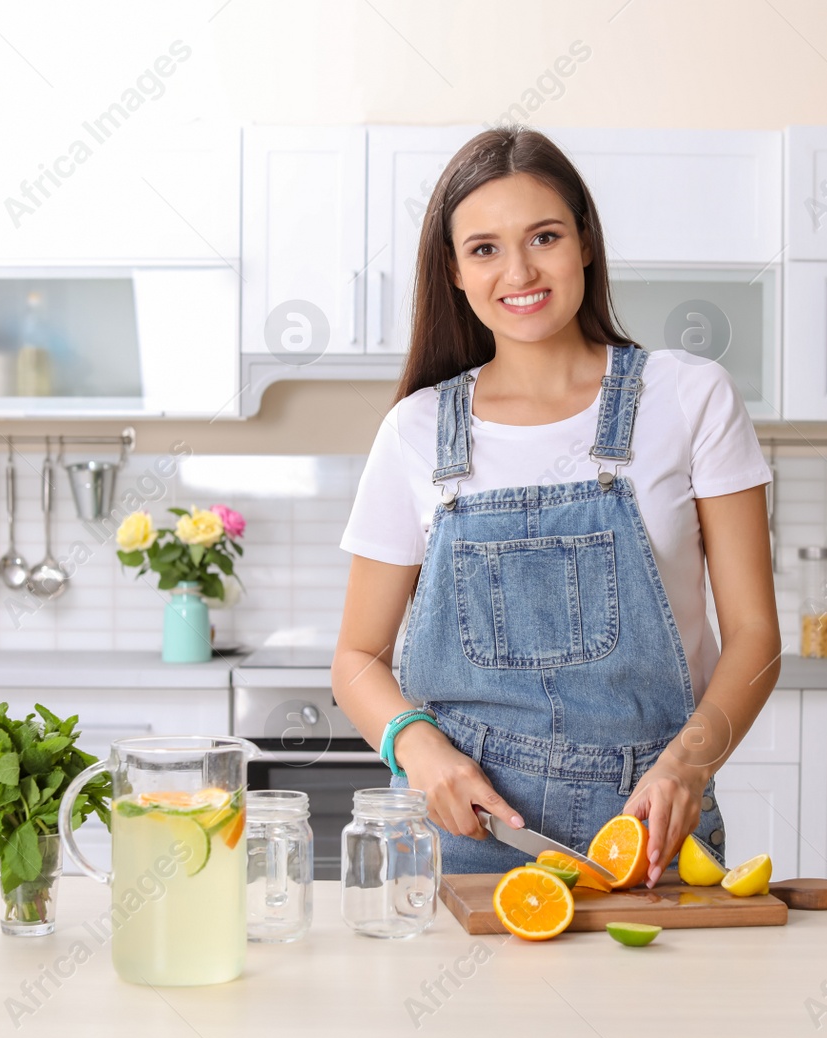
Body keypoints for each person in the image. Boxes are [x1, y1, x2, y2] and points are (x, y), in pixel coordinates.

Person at [334, 127, 780, 886]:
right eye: (484, 248)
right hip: (470, 828)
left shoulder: (690, 396)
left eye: (543, 236)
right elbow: (357, 659)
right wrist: (418, 746)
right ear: (454, 271)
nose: (519, 271)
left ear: (585, 243)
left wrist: (687, 768)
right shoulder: (416, 429)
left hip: (654, 824)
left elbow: (755, 634)